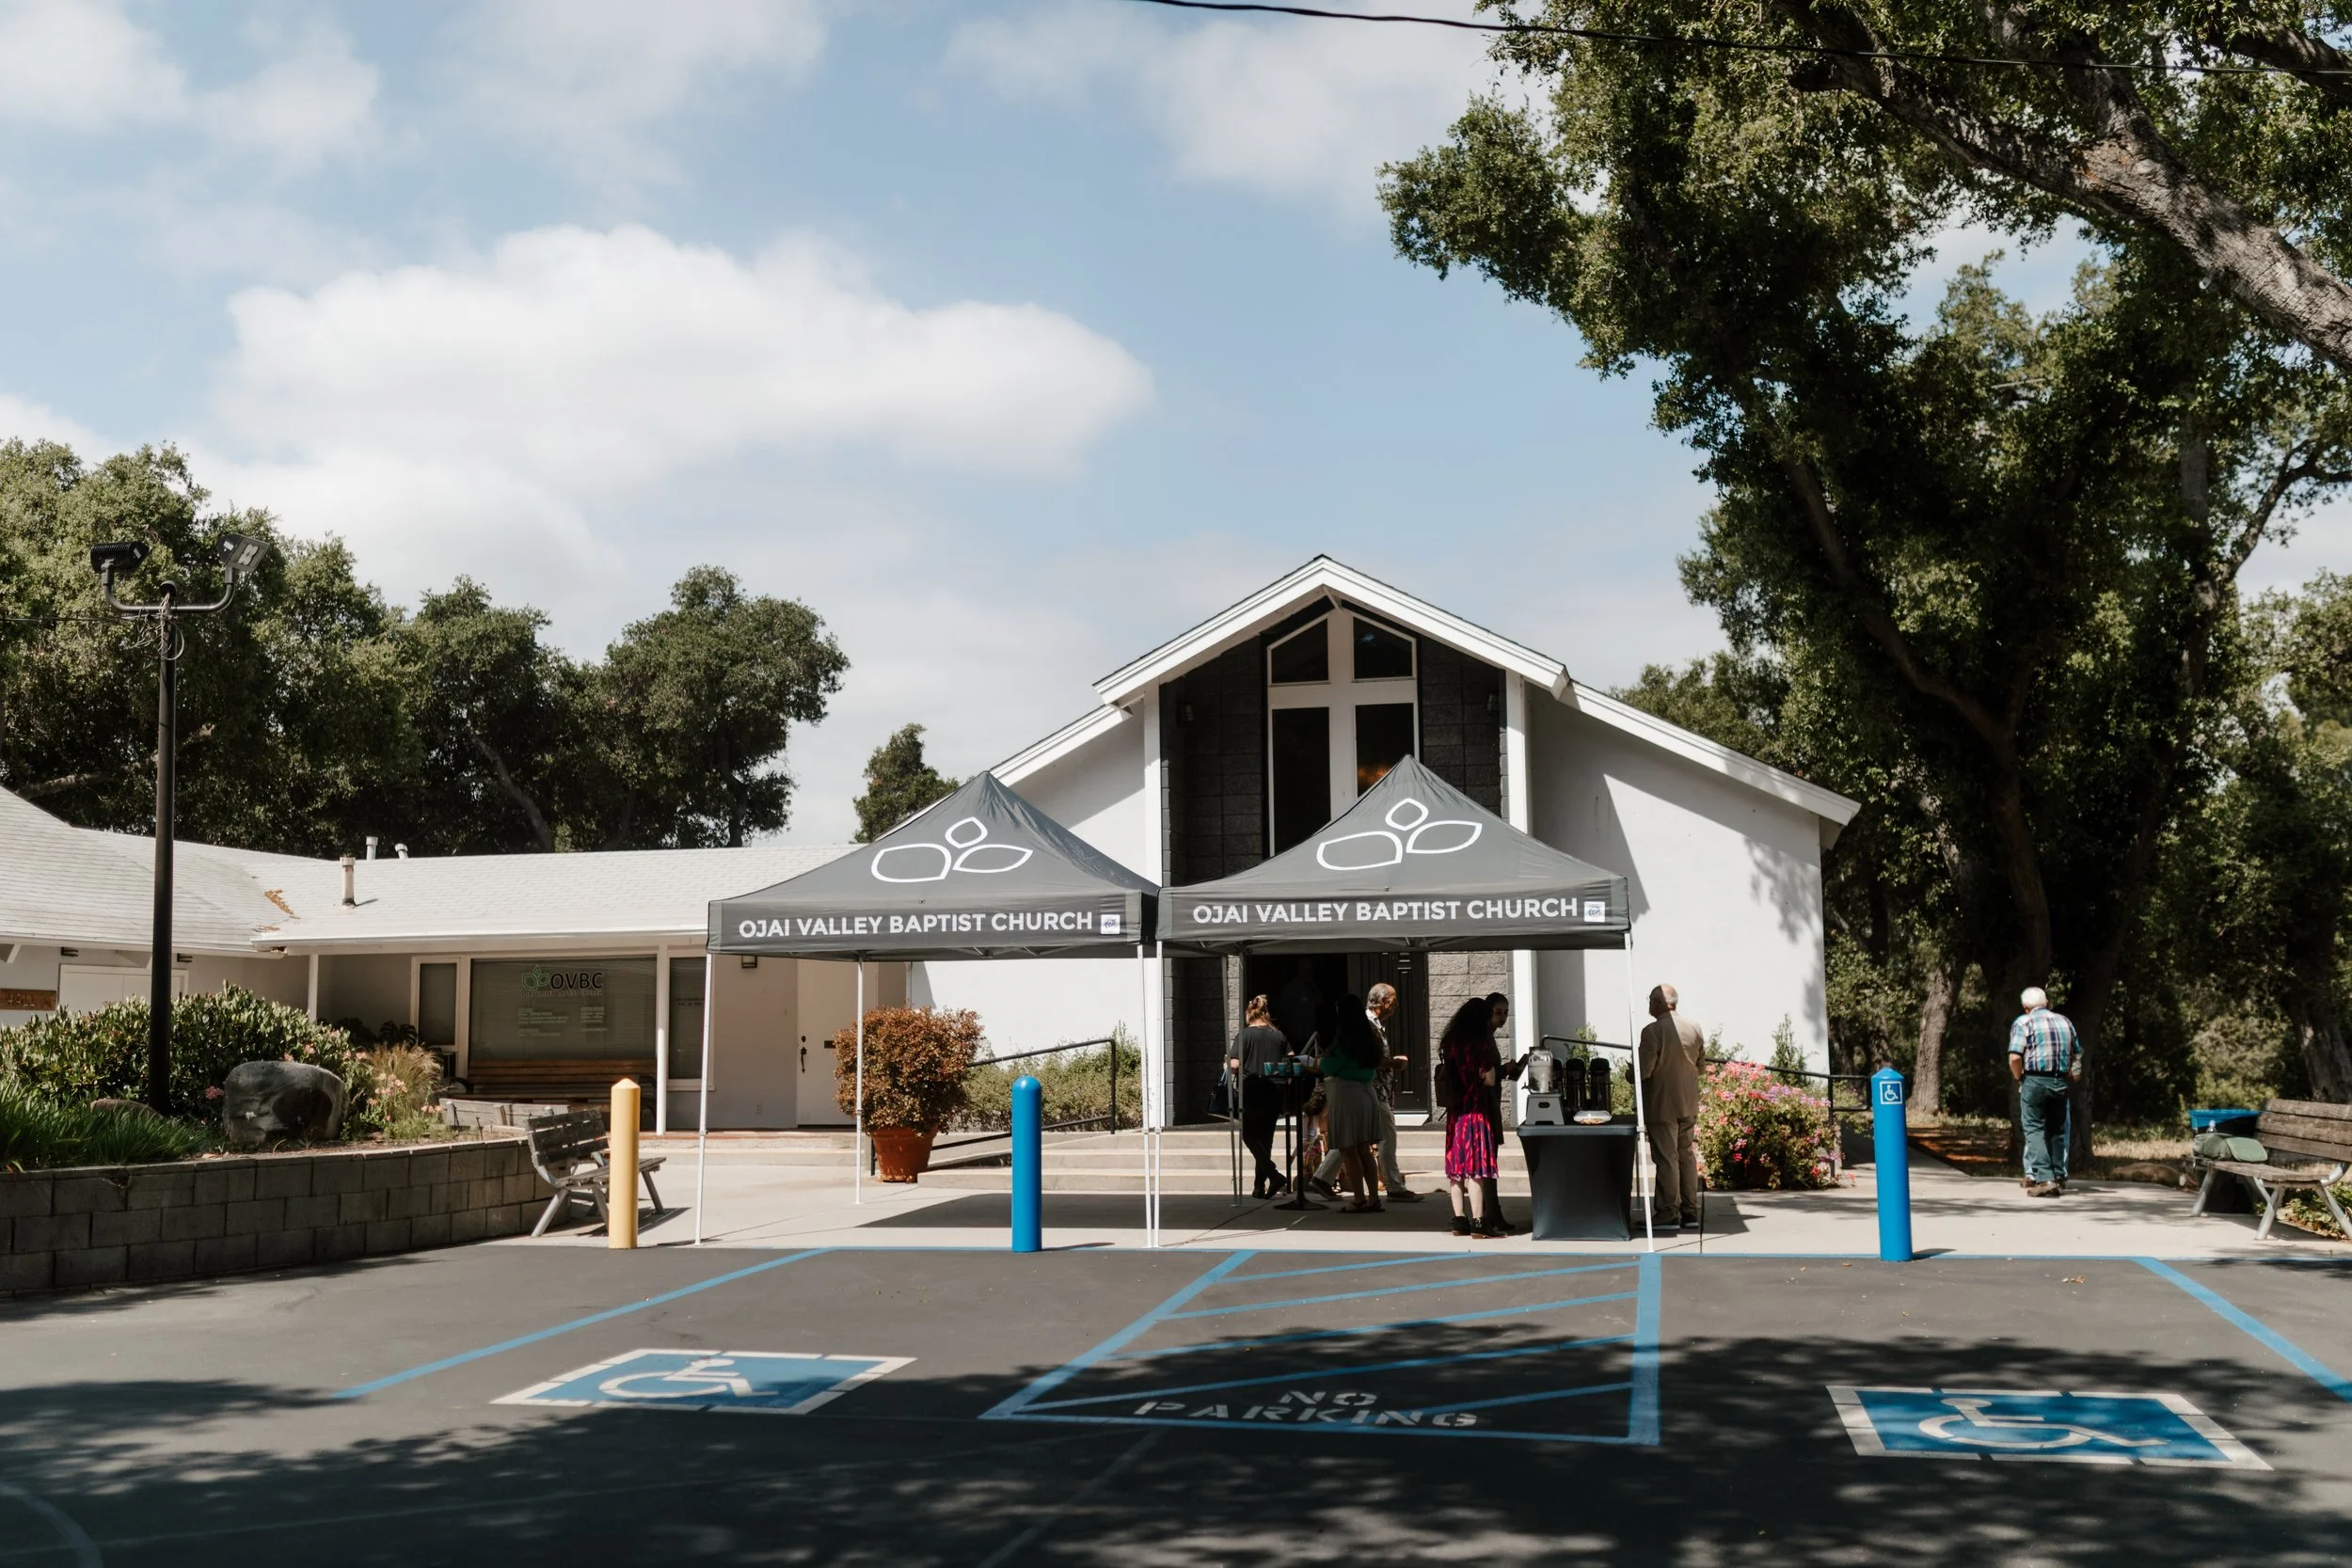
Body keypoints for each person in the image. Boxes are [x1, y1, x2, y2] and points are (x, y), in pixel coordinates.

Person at [1310, 984, 1421, 1202]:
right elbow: (1367, 1060)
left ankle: (1326, 1180)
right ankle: (1391, 1187)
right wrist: (1395, 1064)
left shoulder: (1369, 1026)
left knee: (1351, 1141)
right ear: (1381, 1002)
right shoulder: (1366, 1026)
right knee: (1380, 1138)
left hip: (1367, 1091)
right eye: (1393, 1000)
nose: (1395, 1005)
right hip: (1369, 1091)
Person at [1637, 983, 1706, 1233]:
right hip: (1688, 1101)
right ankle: (1690, 1211)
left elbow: (1643, 1071)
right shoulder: (1694, 1028)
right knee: (1686, 1155)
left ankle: (1668, 1212)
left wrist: (1628, 1073)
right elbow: (1700, 1065)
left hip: (1662, 1103)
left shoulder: (1652, 1031)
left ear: (1657, 1003)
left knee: (1667, 1159)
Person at [1438, 997, 1503, 1238]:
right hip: (1476, 1113)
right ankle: (1478, 1222)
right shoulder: (1480, 1045)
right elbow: (1490, 1079)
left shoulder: (1450, 1042)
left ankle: (1459, 1220)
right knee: (1477, 1171)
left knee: (1456, 1171)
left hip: (1456, 1115)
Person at [2009, 986, 2082, 1196]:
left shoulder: (2023, 1022)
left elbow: (2015, 1057)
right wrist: (2074, 1074)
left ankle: (2044, 1178)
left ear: (2025, 1007)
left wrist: (2019, 1077)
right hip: (2060, 1081)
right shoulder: (2064, 1021)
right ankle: (2059, 1176)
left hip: (2035, 1079)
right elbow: (2077, 1053)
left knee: (2034, 1129)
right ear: (2047, 1002)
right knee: (2058, 1129)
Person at [1318, 998, 1387, 1212]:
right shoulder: (1370, 1035)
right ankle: (1373, 1198)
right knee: (1364, 1150)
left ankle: (1359, 1198)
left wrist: (1321, 1061)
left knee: (1349, 1149)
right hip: (1367, 1093)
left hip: (1347, 1095)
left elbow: (1329, 1066)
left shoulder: (1344, 1039)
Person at [1228, 994, 1292, 1199]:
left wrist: (1226, 1064)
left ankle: (1273, 1175)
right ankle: (1259, 1185)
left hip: (1252, 1090)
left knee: (1249, 1135)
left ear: (1249, 1013)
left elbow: (1235, 1065)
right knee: (1266, 1140)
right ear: (1266, 1013)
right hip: (1273, 1091)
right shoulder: (1278, 1035)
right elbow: (1291, 1058)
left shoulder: (1244, 1035)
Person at [1484, 992, 1531, 1232]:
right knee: (1486, 1161)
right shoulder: (1483, 1039)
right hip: (1485, 1105)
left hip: (1491, 1102)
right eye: (1498, 1012)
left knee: (1488, 1161)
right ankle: (1490, 1213)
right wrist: (1505, 1069)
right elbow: (1486, 1074)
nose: (1502, 1017)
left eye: (1505, 1013)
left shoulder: (1488, 1037)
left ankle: (1490, 1211)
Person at [1274, 958, 1324, 1052]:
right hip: (1295, 1036)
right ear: (1300, 970)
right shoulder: (1291, 988)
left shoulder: (1312, 987)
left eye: (1311, 971)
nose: (1309, 974)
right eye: (1307, 971)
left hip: (1311, 1035)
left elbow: (1320, 1003)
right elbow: (1282, 1009)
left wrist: (1314, 987)